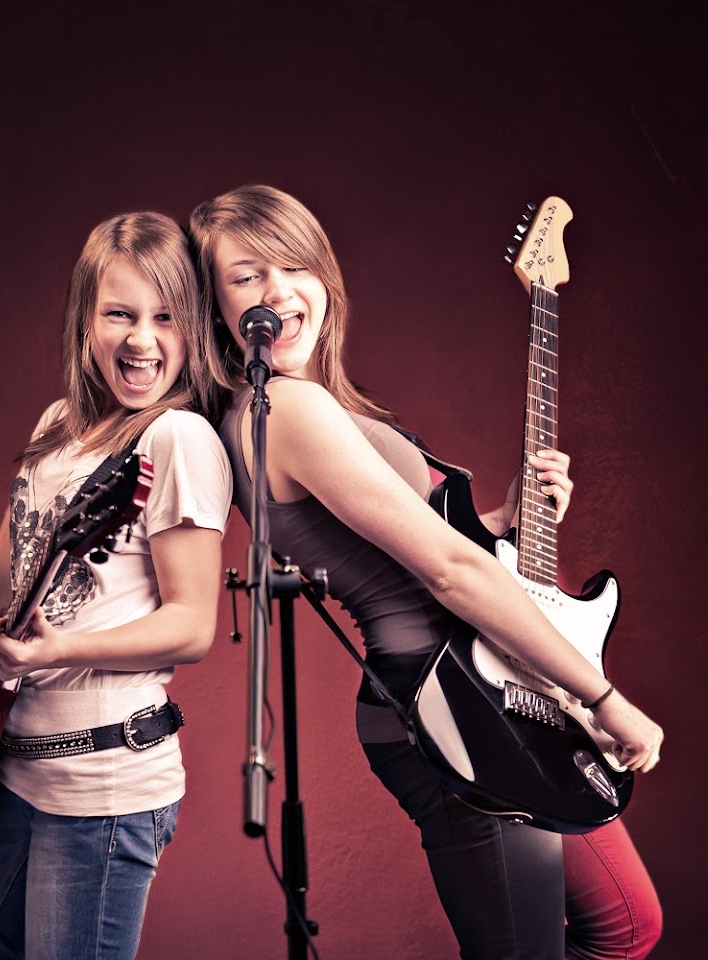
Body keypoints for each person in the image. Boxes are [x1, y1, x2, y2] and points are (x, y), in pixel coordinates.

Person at [188, 184, 664, 959]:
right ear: (215, 308)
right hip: (453, 699)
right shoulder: (287, 410)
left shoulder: (307, 404)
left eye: (294, 266)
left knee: (627, 924)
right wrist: (603, 697)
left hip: (490, 683)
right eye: (247, 276)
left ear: (324, 274)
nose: (279, 291)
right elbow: (446, 572)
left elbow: (409, 544)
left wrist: (503, 522)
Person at [0, 210, 233, 960]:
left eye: (165, 317)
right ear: (85, 320)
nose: (142, 340)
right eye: (119, 314)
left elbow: (192, 625)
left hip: (100, 789)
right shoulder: (56, 426)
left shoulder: (176, 437)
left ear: (192, 327)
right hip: (1, 769)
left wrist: (59, 650)